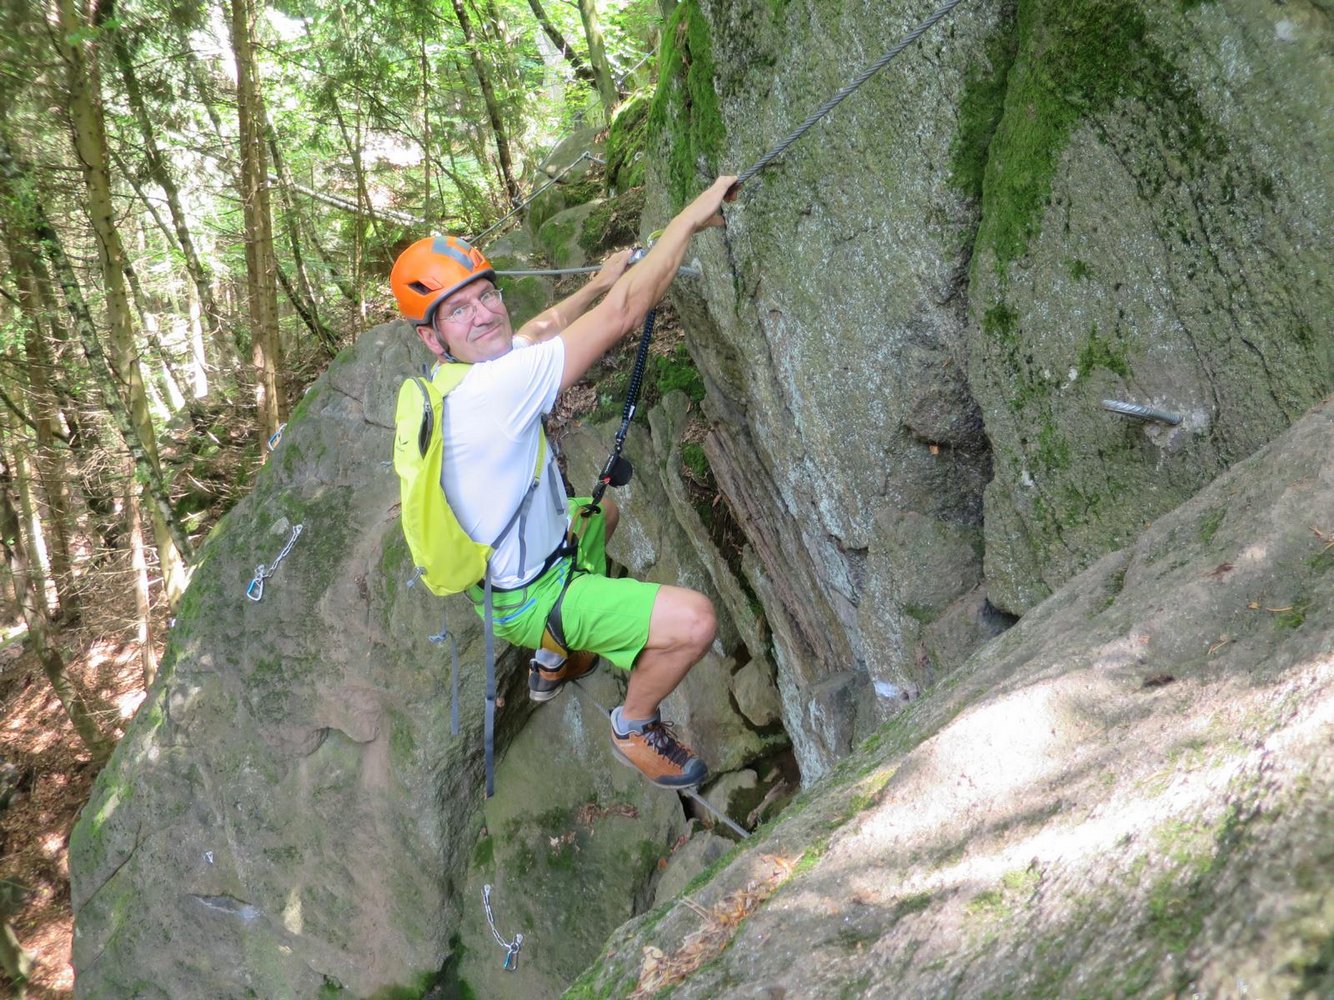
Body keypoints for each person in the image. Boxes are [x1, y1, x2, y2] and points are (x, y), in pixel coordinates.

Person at [389, 175, 737, 789]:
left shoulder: (455, 379)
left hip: (498, 585)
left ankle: (553, 658)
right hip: (530, 596)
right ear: (431, 336)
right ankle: (634, 725)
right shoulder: (494, 392)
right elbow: (625, 313)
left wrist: (596, 283)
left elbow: (538, 330)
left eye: (486, 296)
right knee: (695, 622)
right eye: (459, 310)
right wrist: (689, 218)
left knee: (601, 514)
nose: (484, 314)